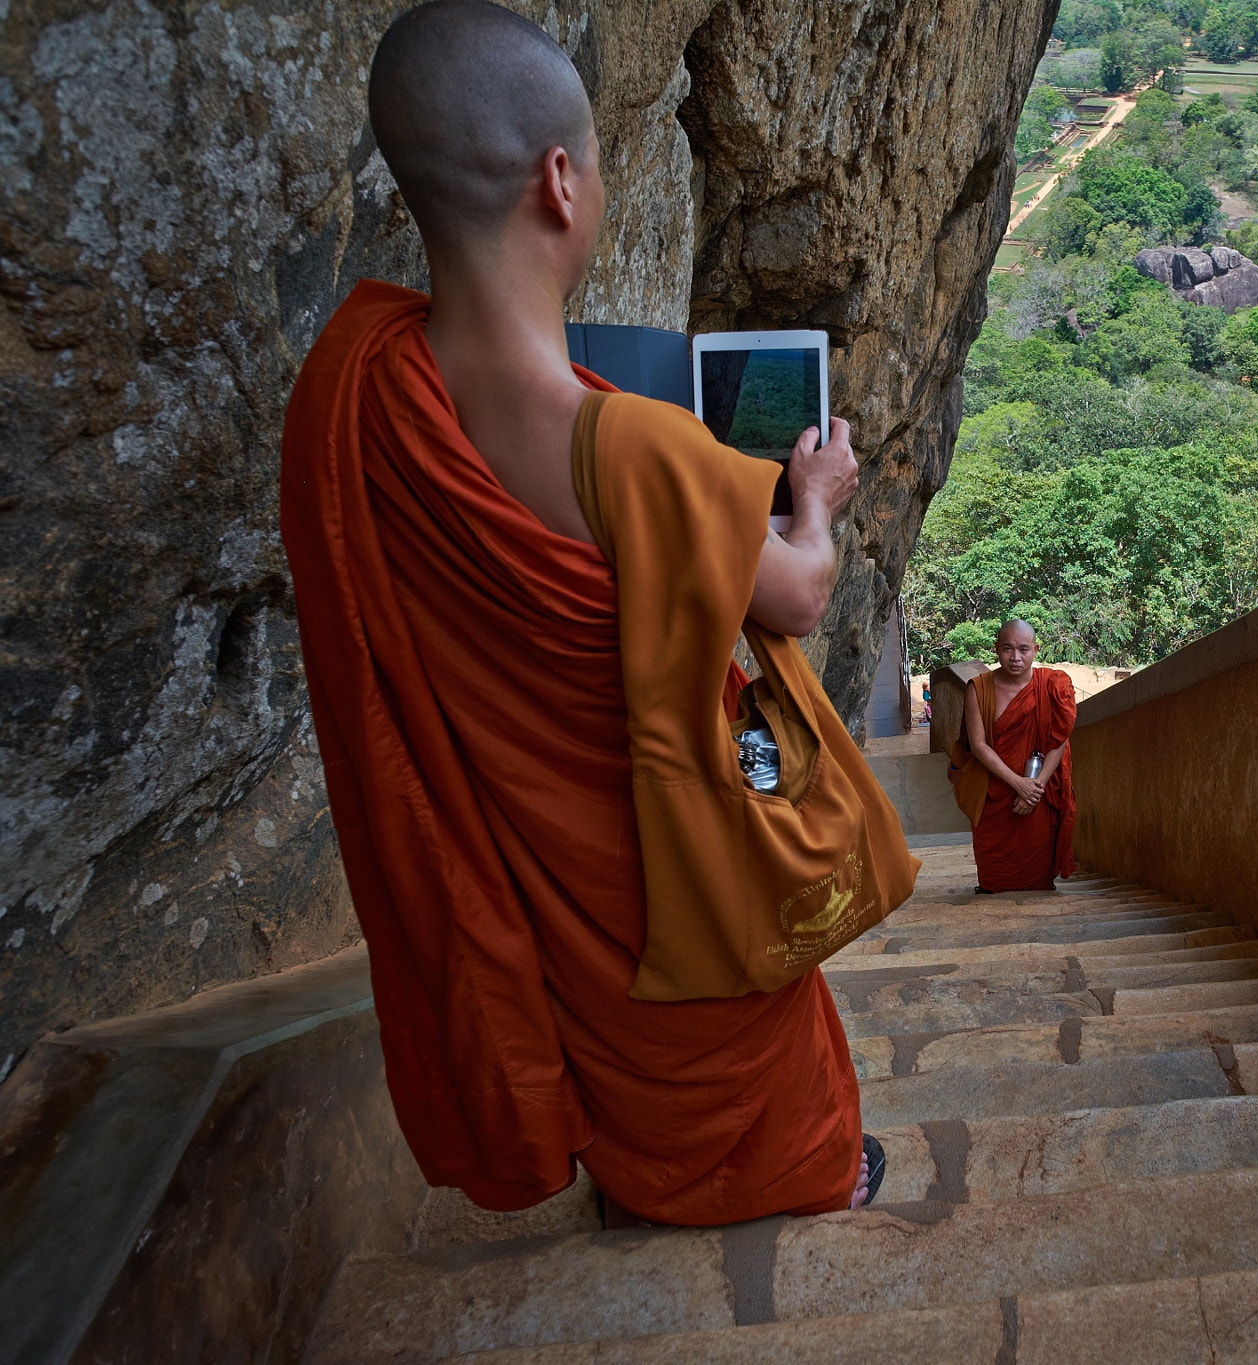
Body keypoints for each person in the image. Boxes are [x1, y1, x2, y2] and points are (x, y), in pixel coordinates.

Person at [278, 0, 884, 1225]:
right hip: (676, 873)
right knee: (740, 1026)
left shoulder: (367, 398)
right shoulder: (640, 449)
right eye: (599, 160)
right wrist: (810, 496)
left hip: (541, 874)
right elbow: (799, 595)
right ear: (561, 180)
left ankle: (637, 1174)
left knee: (608, 1009)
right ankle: (789, 1176)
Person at [948, 620, 1079, 892]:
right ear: (996, 649)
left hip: (1037, 794)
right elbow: (979, 745)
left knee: (1036, 873)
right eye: (1007, 649)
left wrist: (1035, 788)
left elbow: (1059, 742)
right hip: (993, 792)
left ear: (1035, 650)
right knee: (995, 876)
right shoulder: (979, 688)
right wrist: (1017, 784)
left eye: (1023, 649)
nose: (1015, 658)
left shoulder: (1051, 686)